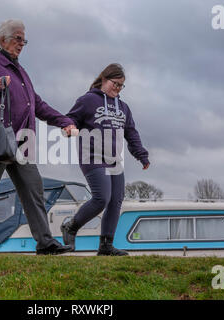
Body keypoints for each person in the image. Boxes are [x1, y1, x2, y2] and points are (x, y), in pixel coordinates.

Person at [0, 19, 76, 254]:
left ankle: (45, 243)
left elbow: (37, 105)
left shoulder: (22, 72)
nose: (22, 43)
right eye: (18, 38)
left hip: (22, 143)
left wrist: (65, 121)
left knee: (33, 189)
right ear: (3, 40)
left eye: (24, 39)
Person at [61, 63, 150, 256]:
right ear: (103, 79)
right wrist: (69, 128)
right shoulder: (87, 100)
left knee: (116, 200)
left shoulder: (124, 108)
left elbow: (131, 133)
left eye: (121, 86)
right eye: (114, 83)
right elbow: (71, 119)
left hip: (114, 160)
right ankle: (70, 227)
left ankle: (106, 246)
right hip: (91, 156)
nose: (117, 88)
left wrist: (141, 154)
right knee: (102, 197)